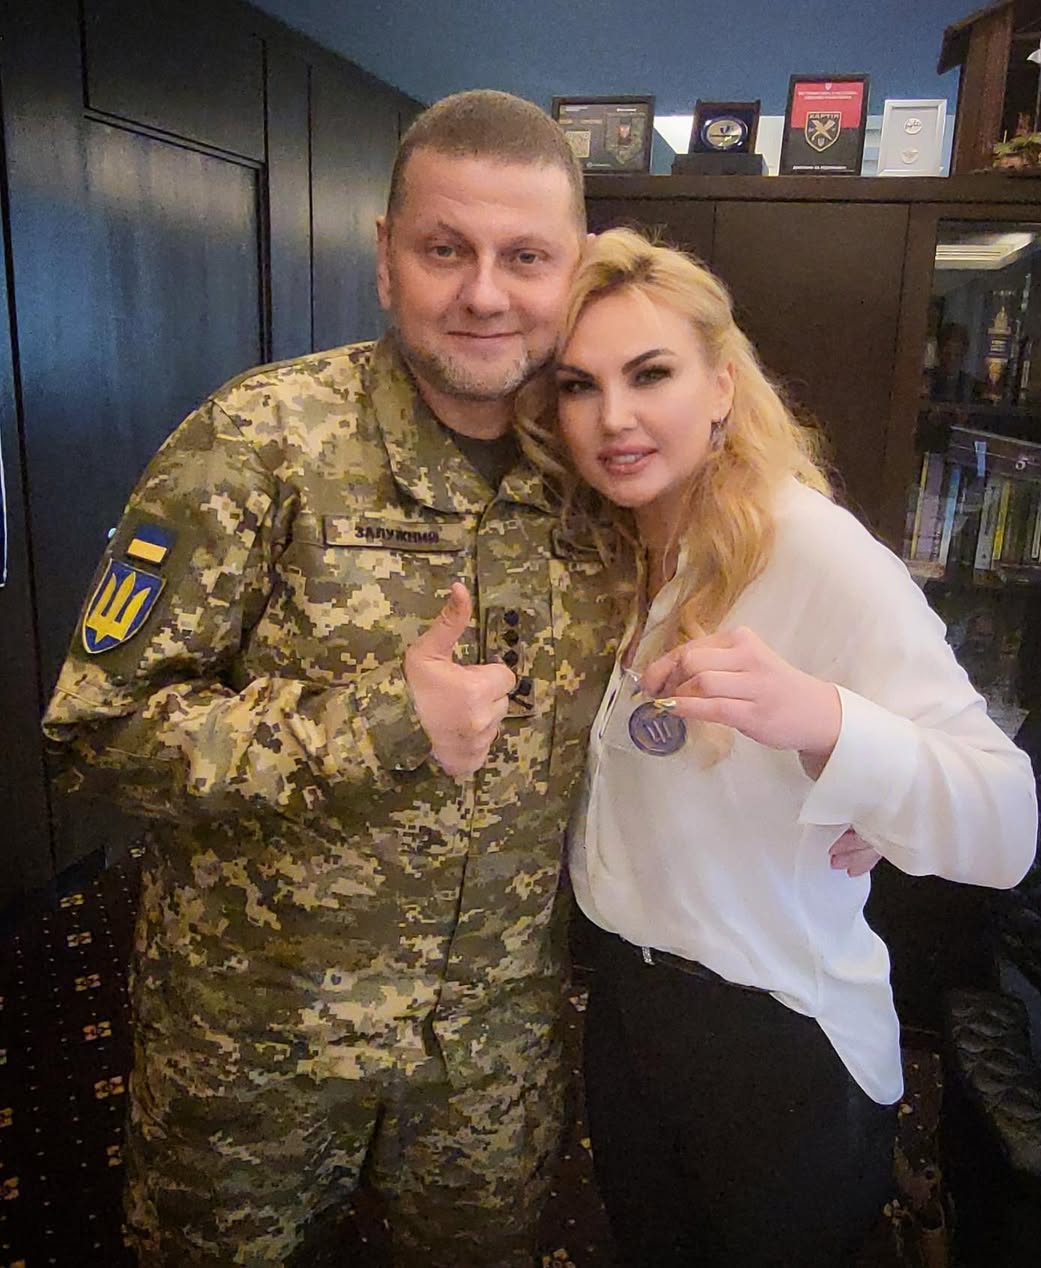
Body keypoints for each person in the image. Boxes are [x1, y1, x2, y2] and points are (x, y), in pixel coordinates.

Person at [41, 90, 622, 1268]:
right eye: (445, 249)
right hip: (256, 1049)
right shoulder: (257, 440)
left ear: (579, 268)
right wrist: (381, 724)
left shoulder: (608, 467)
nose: (484, 293)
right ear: (385, 256)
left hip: (488, 1057)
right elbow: (95, 731)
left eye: (526, 256)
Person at [539, 228, 1039, 1267]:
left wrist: (827, 721)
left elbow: (1006, 824)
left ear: (722, 384)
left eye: (651, 374)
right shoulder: (610, 541)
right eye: (580, 384)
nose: (614, 417)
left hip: (777, 1033)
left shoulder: (807, 546)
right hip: (628, 1005)